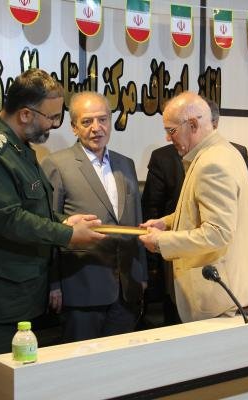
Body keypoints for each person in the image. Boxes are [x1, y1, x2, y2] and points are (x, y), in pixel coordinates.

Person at [0, 69, 105, 363]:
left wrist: (64, 221)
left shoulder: (19, 147)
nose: (53, 125)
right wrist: (67, 235)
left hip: (13, 299)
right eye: (52, 117)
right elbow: (7, 218)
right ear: (25, 114)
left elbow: (33, 208)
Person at [138, 92, 248, 322]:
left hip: (222, 301)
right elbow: (203, 210)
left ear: (193, 125)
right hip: (233, 293)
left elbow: (217, 232)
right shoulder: (224, 152)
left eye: (171, 130)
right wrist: (167, 222)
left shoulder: (212, 163)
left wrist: (161, 241)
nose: (168, 138)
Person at [41, 91, 147, 342]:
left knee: (122, 360)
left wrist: (141, 274)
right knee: (82, 361)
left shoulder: (126, 164)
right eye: (87, 121)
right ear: (74, 126)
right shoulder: (56, 164)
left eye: (102, 119)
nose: (96, 128)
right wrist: (53, 284)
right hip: (81, 287)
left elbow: (136, 222)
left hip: (126, 289)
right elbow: (48, 226)